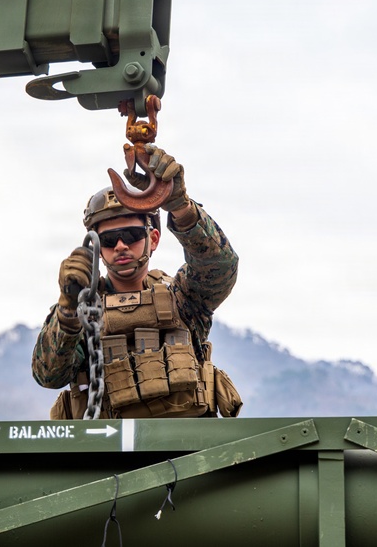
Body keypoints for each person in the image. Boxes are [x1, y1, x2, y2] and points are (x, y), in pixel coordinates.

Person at [32, 145, 241, 419]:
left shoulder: (183, 297)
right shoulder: (81, 310)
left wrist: (181, 207)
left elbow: (220, 265)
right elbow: (49, 375)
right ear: (96, 248)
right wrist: (68, 307)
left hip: (190, 448)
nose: (120, 246)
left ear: (153, 239)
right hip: (107, 452)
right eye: (108, 239)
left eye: (131, 235)